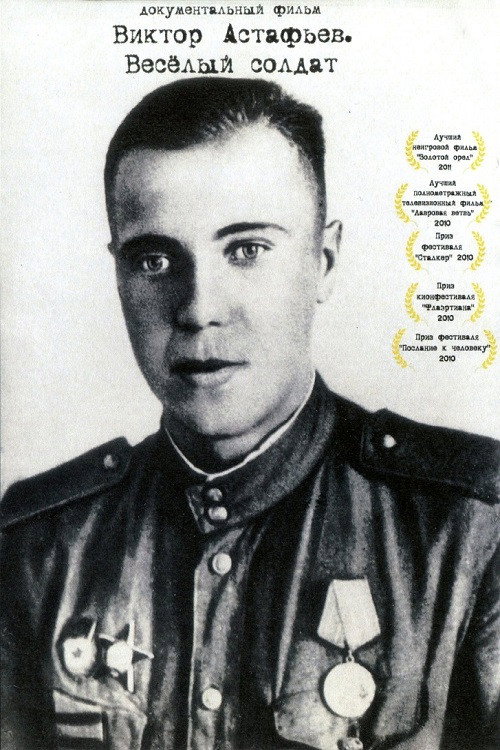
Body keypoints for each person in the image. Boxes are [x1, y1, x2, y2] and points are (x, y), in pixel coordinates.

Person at [1, 77, 498, 750]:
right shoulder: (38, 545)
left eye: (246, 250)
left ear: (324, 262)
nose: (198, 308)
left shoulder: (467, 531)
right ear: (118, 274)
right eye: (154, 259)